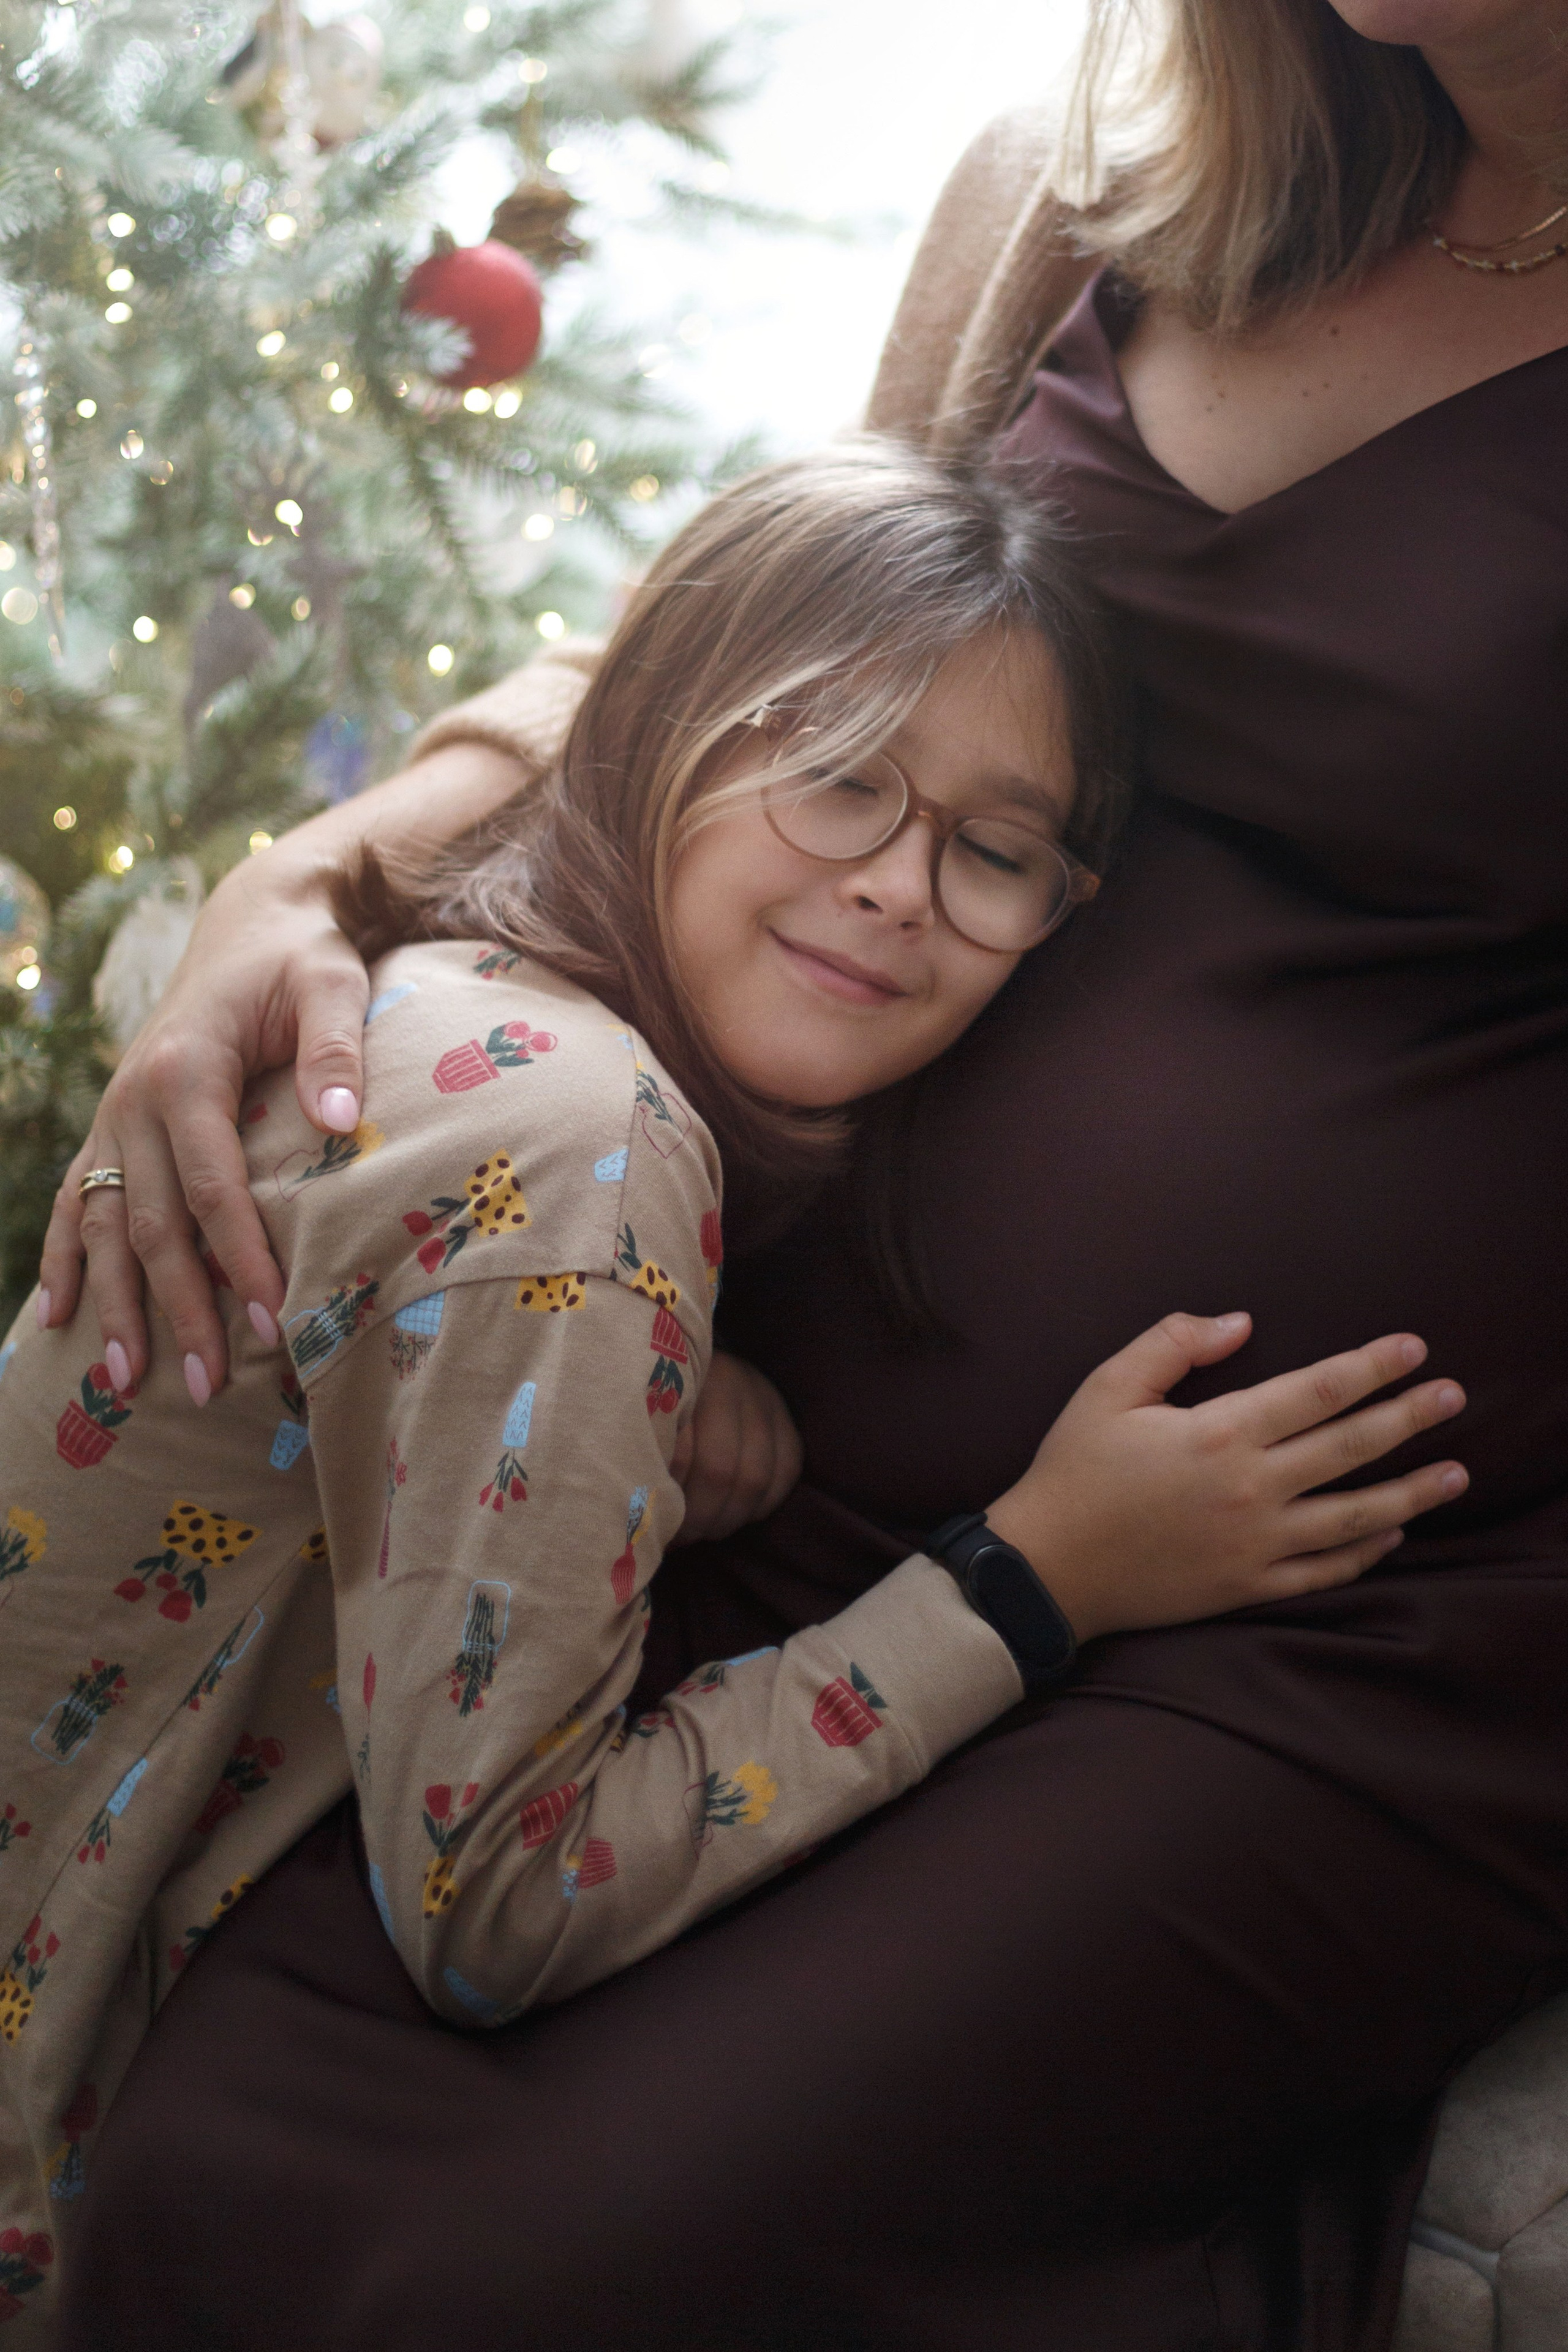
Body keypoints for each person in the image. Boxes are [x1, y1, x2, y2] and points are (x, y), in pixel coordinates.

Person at [34, 0, 1568, 2343]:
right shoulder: (1103, 193)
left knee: (529, 2274)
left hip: (1317, 1590)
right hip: (754, 1461)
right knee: (216, 2166)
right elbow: (745, 658)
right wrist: (325, 876)